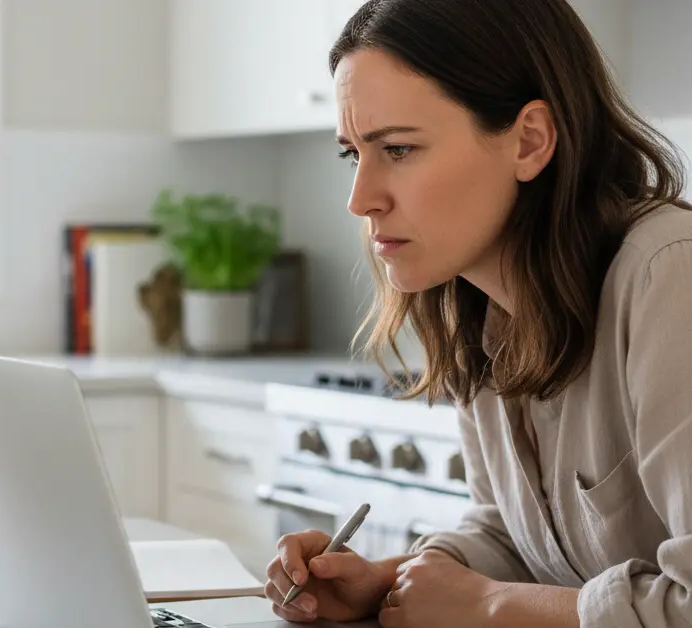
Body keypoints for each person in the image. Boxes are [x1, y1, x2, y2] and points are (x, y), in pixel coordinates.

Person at [263, 0, 692, 626]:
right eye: (354, 154)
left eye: (400, 149)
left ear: (529, 141)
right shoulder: (481, 307)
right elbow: (521, 542)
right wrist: (389, 583)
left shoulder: (669, 275)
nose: (360, 200)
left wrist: (487, 605)